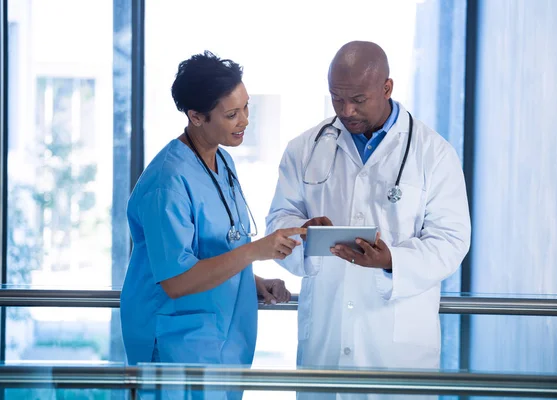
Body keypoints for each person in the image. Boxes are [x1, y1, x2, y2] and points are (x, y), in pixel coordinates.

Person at [266, 41, 471, 399]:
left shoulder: (433, 153)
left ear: (387, 88)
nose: (346, 110)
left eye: (358, 99)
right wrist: (302, 233)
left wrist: (392, 260)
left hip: (397, 350)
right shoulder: (305, 148)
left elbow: (452, 241)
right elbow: (277, 223)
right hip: (326, 342)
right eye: (336, 98)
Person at [120, 51, 305, 399]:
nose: (245, 120)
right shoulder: (168, 181)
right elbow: (176, 280)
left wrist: (251, 282)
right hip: (176, 348)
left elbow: (216, 249)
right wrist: (256, 251)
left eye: (247, 107)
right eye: (232, 114)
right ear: (196, 116)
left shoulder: (222, 159)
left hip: (220, 347)